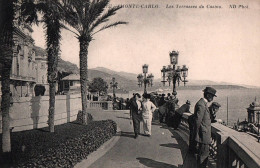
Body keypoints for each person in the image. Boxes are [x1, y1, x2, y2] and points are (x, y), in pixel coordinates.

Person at [193, 87, 217, 168]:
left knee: (202, 155)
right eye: (212, 96)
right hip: (203, 135)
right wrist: (196, 136)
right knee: (203, 155)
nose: (213, 98)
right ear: (208, 95)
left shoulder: (202, 103)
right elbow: (197, 121)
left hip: (203, 134)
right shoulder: (201, 104)